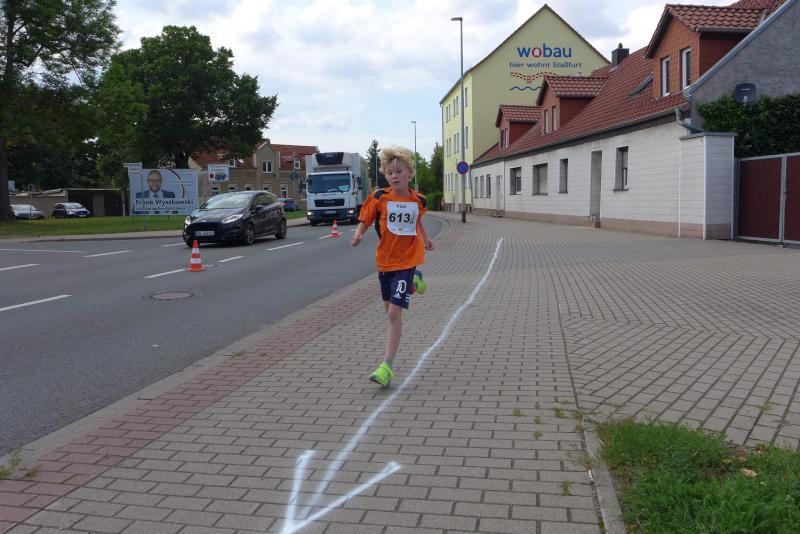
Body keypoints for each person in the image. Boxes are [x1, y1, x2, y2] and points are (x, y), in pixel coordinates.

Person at [351, 147, 434, 387]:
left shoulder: (418, 200)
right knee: (389, 311)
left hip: (407, 261)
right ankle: (414, 281)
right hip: (385, 262)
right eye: (390, 173)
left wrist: (426, 237)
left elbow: (417, 220)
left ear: (409, 173)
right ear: (385, 176)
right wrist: (358, 233)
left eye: (399, 171)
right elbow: (366, 219)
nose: (394, 176)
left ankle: (387, 366)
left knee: (394, 314)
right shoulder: (379, 198)